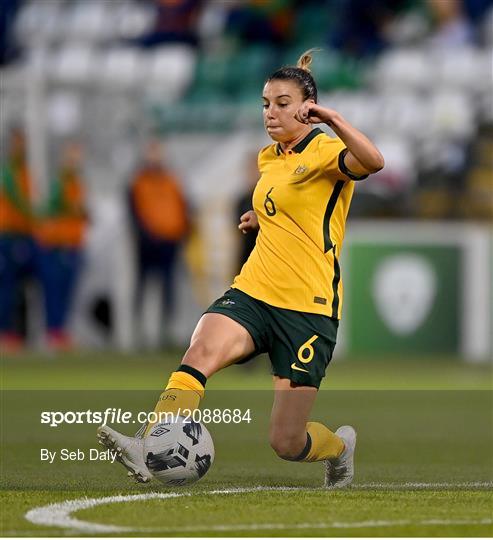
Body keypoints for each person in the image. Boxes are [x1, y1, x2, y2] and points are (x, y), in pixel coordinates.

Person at [98, 50, 384, 487]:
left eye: (282, 104)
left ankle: (340, 449)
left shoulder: (327, 150)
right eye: (266, 104)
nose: (270, 113)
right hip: (254, 290)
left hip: (307, 306)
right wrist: (261, 217)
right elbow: (281, 202)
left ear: (308, 108)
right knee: (200, 351)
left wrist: (334, 119)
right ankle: (147, 442)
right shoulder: (269, 158)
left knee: (287, 442)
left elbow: (373, 161)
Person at [128, 139, 189, 347]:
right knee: (143, 286)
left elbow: (182, 208)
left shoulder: (171, 180)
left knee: (168, 288)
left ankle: (166, 332)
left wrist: (180, 233)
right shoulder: (138, 181)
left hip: (169, 242)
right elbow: (134, 213)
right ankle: (139, 333)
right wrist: (146, 235)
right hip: (147, 244)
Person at [35, 141, 88, 351]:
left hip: (72, 243)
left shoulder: (76, 182)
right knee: (55, 290)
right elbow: (52, 207)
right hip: (58, 244)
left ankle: (60, 332)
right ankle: (53, 333)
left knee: (67, 291)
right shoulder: (61, 182)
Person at [0, 127, 36, 352]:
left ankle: (17, 332)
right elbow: (19, 201)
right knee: (7, 286)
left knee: (19, 287)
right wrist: (39, 215)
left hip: (23, 235)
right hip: (7, 236)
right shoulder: (8, 172)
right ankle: (6, 332)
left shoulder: (24, 171)